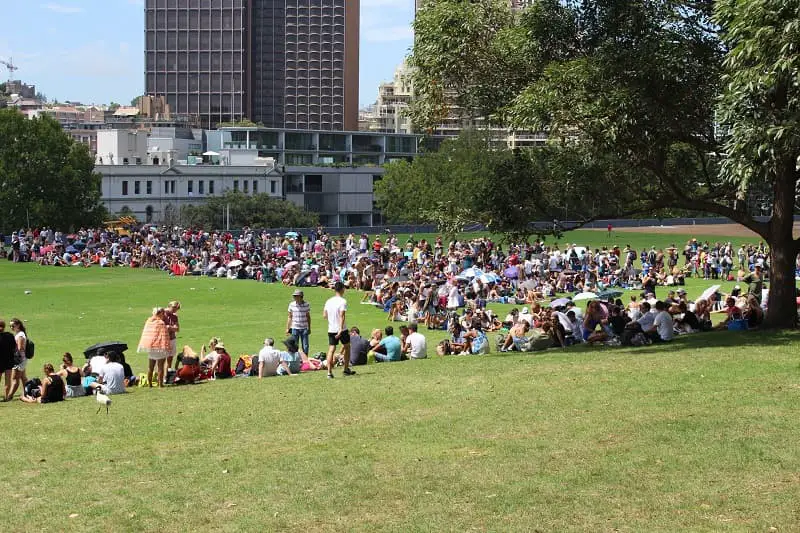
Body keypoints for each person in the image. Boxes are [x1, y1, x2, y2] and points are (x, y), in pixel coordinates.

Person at [323, 281, 355, 378]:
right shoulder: (342, 301)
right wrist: (340, 328)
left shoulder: (328, 301)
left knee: (331, 349)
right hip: (342, 329)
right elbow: (342, 316)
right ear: (342, 289)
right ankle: (345, 369)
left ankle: (329, 372)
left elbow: (324, 315)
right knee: (347, 347)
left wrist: (332, 319)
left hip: (331, 328)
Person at [137, 307, 171, 388]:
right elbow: (164, 336)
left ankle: (150, 384)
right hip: (159, 347)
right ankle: (160, 384)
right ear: (159, 314)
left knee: (150, 367)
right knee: (160, 367)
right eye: (163, 314)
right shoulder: (161, 323)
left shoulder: (148, 321)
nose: (164, 316)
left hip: (150, 347)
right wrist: (166, 346)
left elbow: (145, 334)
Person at [8, 318, 28, 400]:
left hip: (19, 359)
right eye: (10, 326)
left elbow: (19, 348)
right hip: (22, 359)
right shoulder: (20, 334)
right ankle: (27, 392)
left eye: (13, 326)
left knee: (14, 379)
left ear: (18, 325)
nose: (11, 327)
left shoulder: (20, 335)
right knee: (23, 378)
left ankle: (9, 396)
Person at [286, 289, 311, 356]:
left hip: (304, 328)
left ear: (301, 296)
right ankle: (296, 359)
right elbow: (289, 317)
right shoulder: (291, 305)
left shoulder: (306, 305)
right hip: (295, 327)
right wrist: (287, 328)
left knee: (305, 346)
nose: (295, 297)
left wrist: (309, 327)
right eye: (294, 296)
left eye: (296, 296)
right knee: (295, 345)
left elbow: (308, 317)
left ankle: (305, 360)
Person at [0, 319, 15, 401]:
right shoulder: (10, 335)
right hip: (9, 360)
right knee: (8, 380)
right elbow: (14, 347)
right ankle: (6, 397)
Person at [164, 300, 181, 369]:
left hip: (172, 338)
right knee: (162, 359)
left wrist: (170, 327)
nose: (175, 311)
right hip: (164, 339)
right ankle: (162, 376)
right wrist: (172, 327)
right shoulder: (162, 314)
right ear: (171, 306)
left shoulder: (174, 316)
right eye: (175, 309)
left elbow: (177, 329)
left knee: (170, 358)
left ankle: (168, 374)